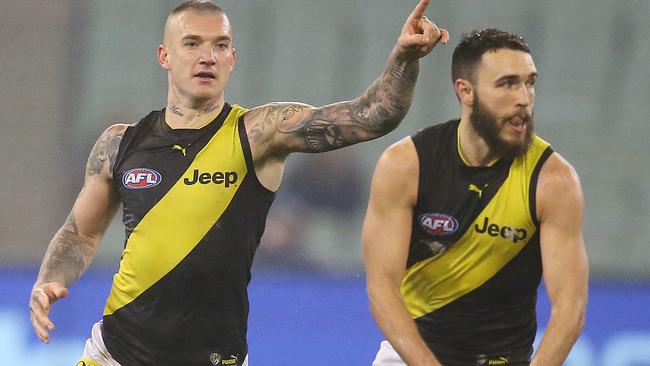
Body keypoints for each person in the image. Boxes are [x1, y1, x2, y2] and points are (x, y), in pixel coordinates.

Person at [28, 0, 448, 365]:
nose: (207, 56)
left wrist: (404, 60)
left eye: (220, 45)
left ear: (233, 58)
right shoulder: (120, 143)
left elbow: (371, 116)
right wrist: (51, 279)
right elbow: (80, 234)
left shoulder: (260, 133)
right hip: (116, 354)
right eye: (192, 43)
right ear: (164, 56)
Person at [362, 28, 588, 366]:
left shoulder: (553, 180)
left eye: (530, 83)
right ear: (465, 91)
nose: (524, 98)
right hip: (410, 357)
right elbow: (382, 288)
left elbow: (570, 307)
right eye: (508, 83)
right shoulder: (406, 165)